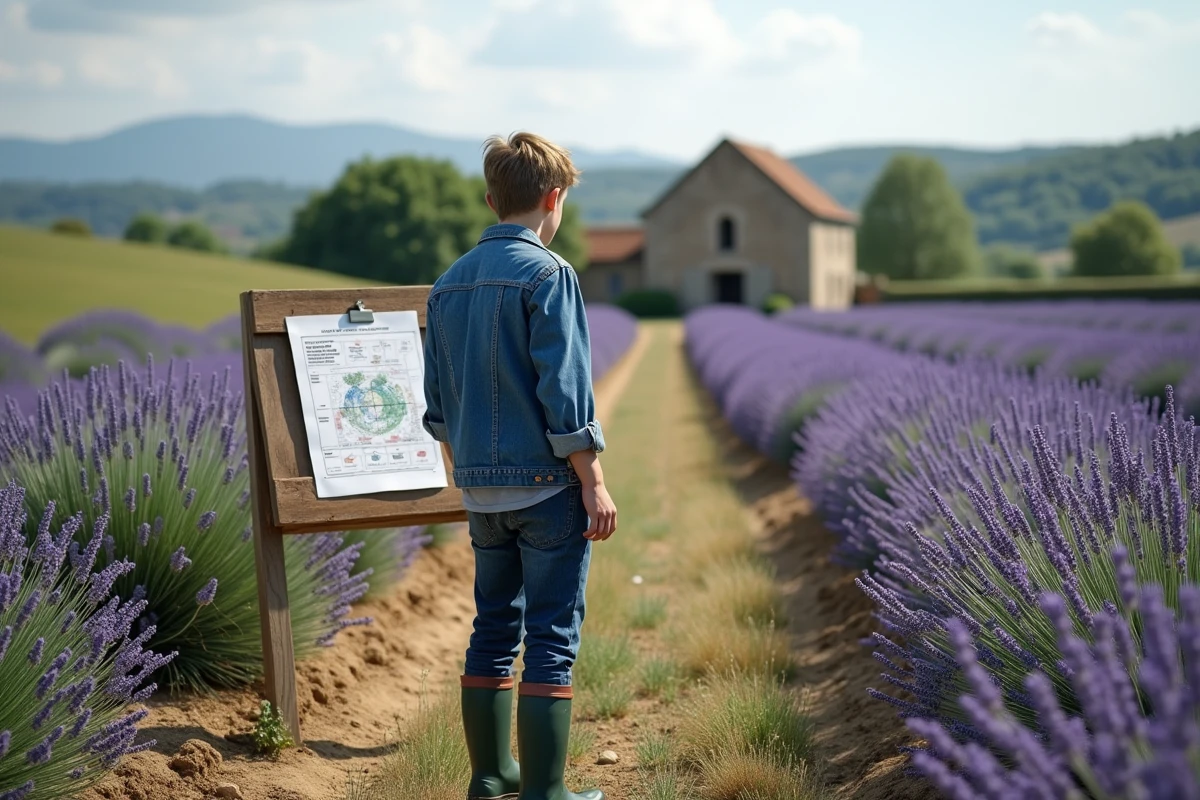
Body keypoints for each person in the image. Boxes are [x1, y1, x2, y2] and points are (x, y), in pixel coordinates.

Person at [422, 131, 618, 800]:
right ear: (553, 198)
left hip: (480, 491)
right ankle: (546, 792)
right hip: (545, 490)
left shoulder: (447, 284)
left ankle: (490, 776)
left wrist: (469, 475)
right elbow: (565, 393)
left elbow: (438, 406)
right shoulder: (550, 274)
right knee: (552, 636)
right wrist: (592, 481)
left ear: (490, 198)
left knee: (493, 627)